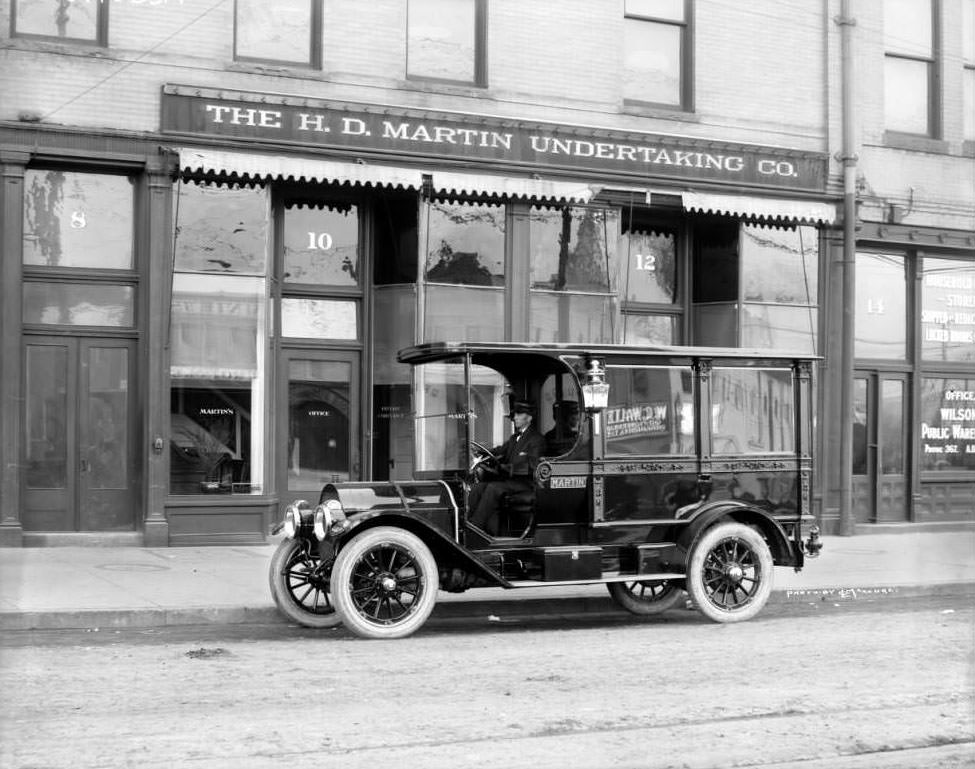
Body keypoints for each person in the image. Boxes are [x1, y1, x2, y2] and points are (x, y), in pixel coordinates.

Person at [467, 400, 544, 536]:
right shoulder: (514, 438)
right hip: (510, 482)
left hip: (525, 484)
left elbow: (532, 466)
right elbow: (499, 451)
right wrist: (480, 451)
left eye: (519, 414)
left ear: (529, 418)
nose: (514, 418)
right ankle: (468, 523)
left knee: (493, 488)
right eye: (515, 414)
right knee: (477, 488)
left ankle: (475, 528)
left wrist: (508, 468)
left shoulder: (536, 439)